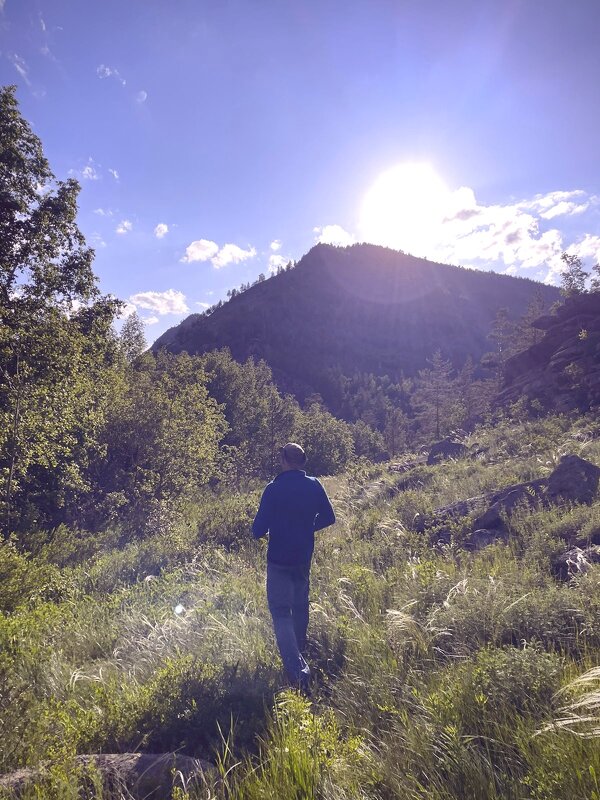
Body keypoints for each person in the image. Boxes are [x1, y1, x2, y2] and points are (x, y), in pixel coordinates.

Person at [252, 442, 335, 692]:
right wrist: (307, 528)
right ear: (302, 460)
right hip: (303, 557)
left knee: (280, 612)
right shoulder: (314, 485)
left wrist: (266, 528)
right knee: (300, 606)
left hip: (278, 559)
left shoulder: (273, 489)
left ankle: (298, 672)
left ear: (284, 459)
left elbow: (257, 530)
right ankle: (299, 651)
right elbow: (329, 517)